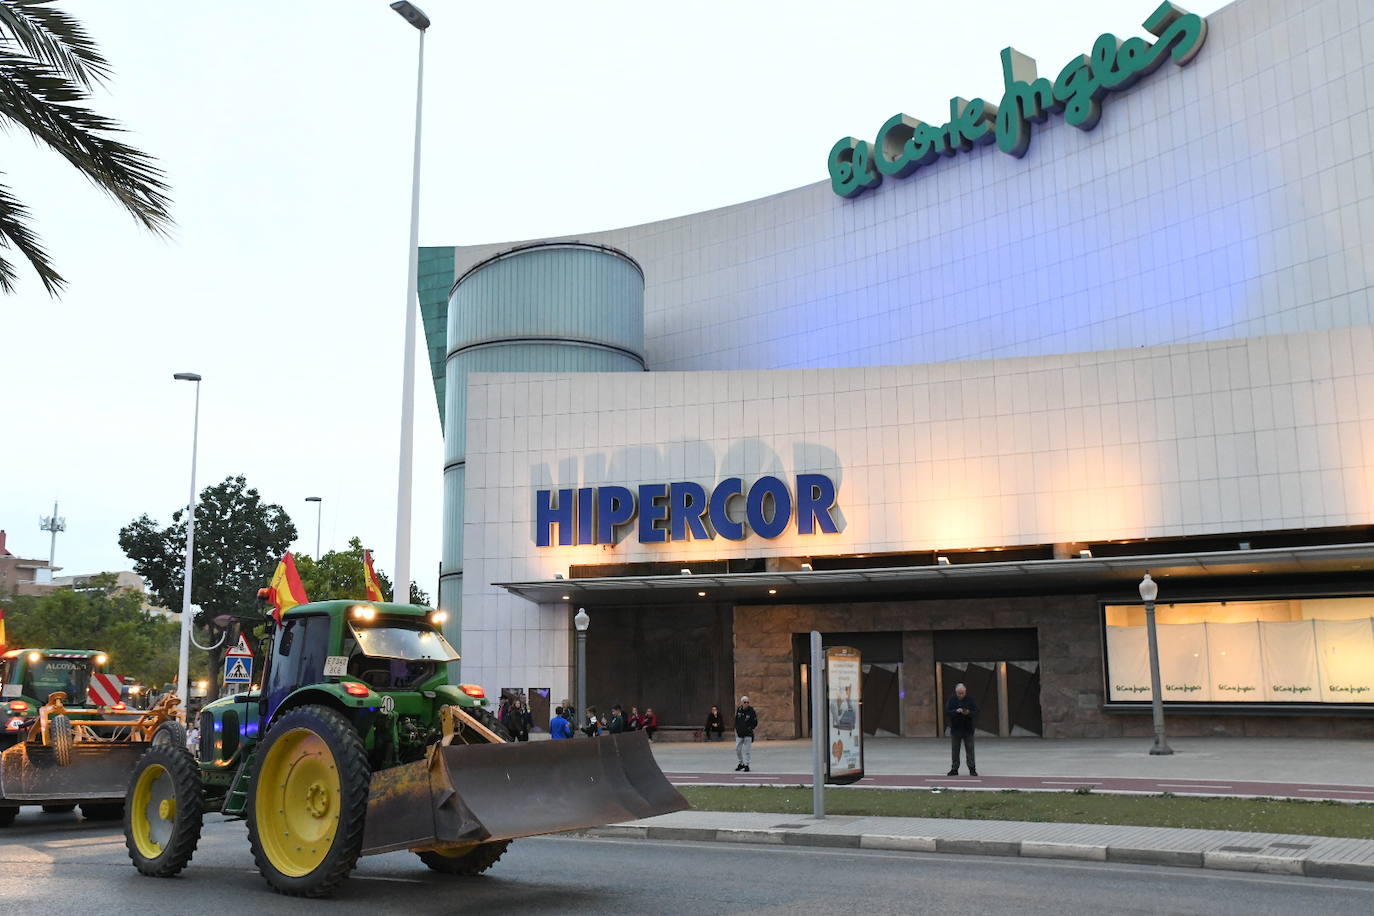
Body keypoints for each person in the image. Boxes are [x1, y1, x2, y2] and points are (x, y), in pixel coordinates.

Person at [945, 682, 979, 776]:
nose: (961, 695)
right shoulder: (951, 700)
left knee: (970, 750)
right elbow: (947, 712)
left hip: (968, 729)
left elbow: (976, 712)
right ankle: (954, 769)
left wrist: (968, 712)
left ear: (965, 692)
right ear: (956, 692)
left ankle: (972, 769)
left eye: (962, 693)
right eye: (959, 693)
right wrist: (956, 711)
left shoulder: (970, 700)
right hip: (955, 729)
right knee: (955, 750)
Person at [734, 696, 757, 772]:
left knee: (747, 750)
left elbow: (755, 722)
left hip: (748, 733)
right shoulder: (739, 710)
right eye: (745, 702)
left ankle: (747, 765)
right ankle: (741, 763)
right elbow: (736, 720)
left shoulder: (751, 710)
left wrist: (750, 728)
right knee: (738, 749)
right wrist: (737, 728)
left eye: (747, 702)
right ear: (742, 703)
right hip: (740, 733)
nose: (746, 703)